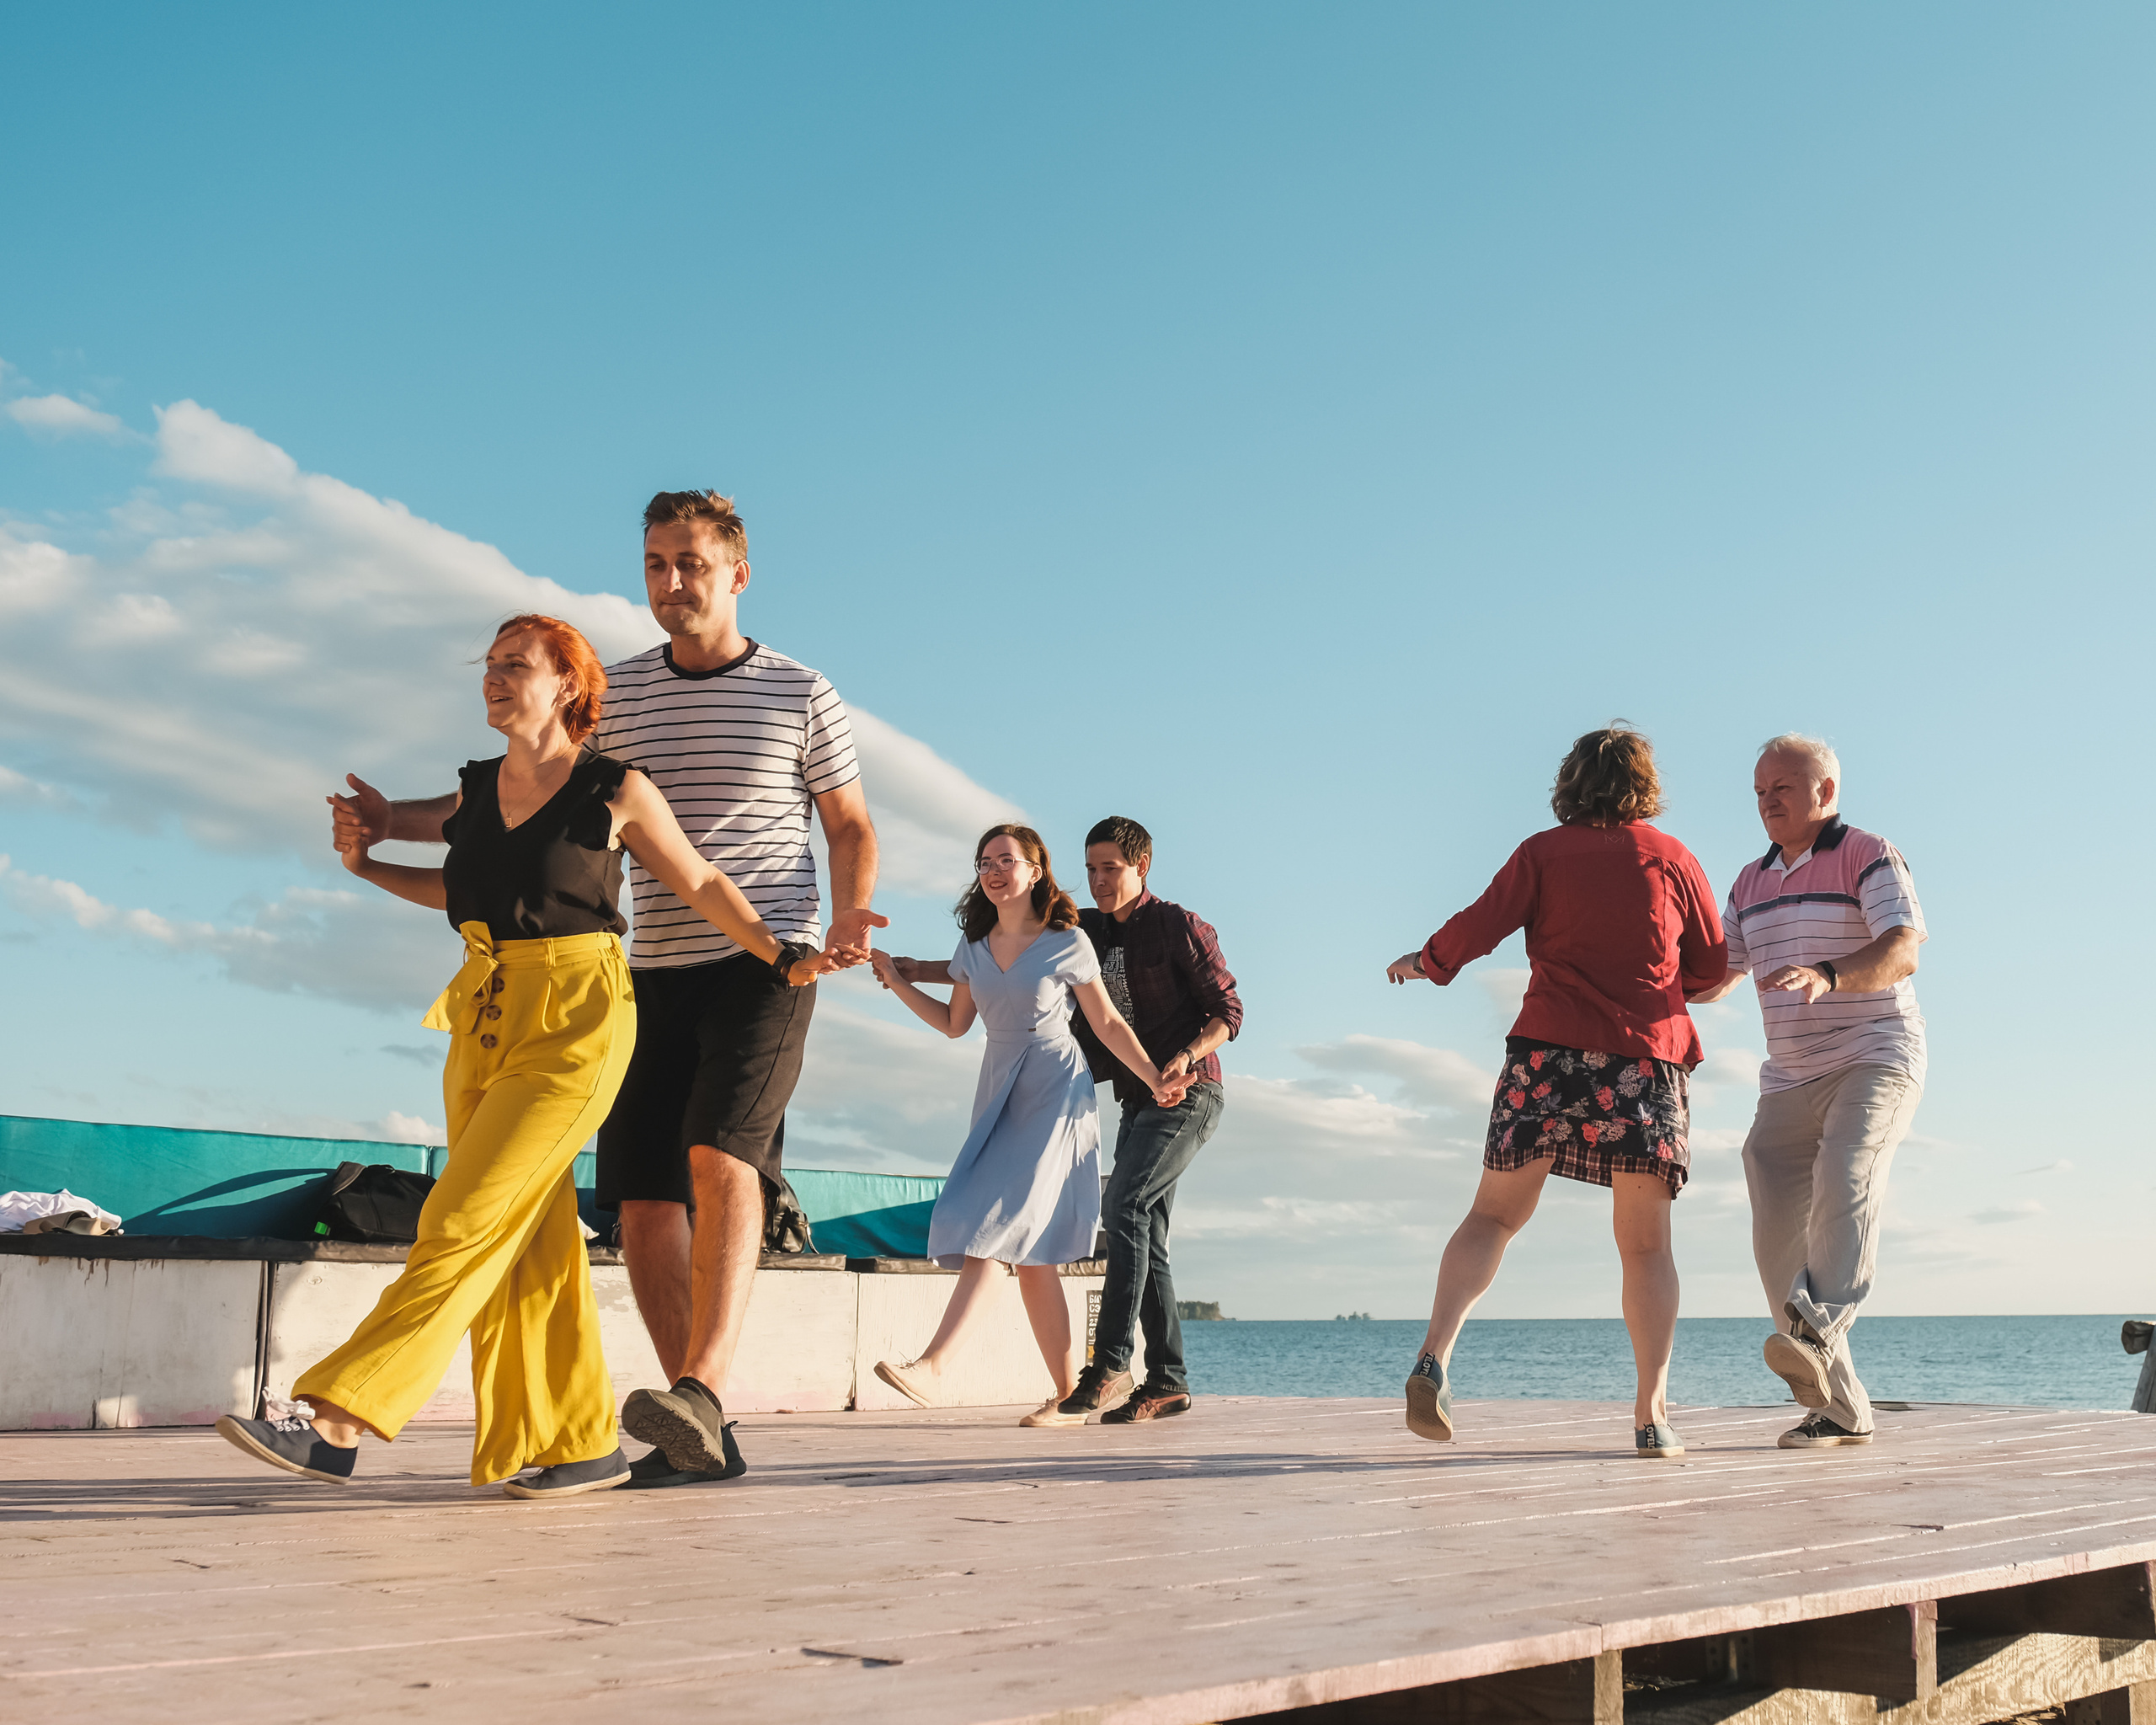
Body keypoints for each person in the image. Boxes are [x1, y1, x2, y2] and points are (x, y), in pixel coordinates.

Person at [329, 490, 883, 1489]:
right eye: (656, 563)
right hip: (638, 967)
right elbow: (508, 798)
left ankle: (704, 1391)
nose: (672, 580)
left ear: (736, 573)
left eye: (691, 563)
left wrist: (843, 918)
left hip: (768, 957)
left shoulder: (802, 690)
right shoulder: (616, 691)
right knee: (638, 1205)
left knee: (720, 1158)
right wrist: (385, 828)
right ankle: (683, 1425)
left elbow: (847, 823)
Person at [219, 615, 831, 1499]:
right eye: (490, 665)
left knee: (460, 1216)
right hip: (481, 1014)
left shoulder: (613, 787)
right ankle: (578, 1440)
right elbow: (459, 891)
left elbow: (698, 880)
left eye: (517, 665)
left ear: (569, 686)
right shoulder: (475, 791)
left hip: (578, 1018)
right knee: (531, 1239)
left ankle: (340, 1418)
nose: (495, 679)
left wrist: (781, 953)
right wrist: (366, 862)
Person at [1386, 727, 1726, 1460]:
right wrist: (1672, 981)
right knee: (1645, 1248)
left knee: (1492, 1217)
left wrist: (1428, 961)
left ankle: (1434, 1354)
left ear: (1570, 782)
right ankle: (1651, 1414)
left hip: (1545, 1055)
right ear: (1646, 785)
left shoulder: (1542, 852)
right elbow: (1709, 963)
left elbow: (1481, 924)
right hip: (1642, 1062)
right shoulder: (1673, 858)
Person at [885, 816, 1243, 1424]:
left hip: (1121, 1088)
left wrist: (1169, 1068)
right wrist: (902, 973)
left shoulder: (1140, 930)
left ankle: (972, 1364)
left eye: (1112, 869)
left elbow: (1142, 1019)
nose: (1099, 881)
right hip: (1033, 1089)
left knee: (1048, 1218)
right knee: (1051, 1249)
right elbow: (962, 1001)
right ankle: (1107, 1387)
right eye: (985, 863)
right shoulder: (1044, 934)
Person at [1687, 734, 1926, 1450]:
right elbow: (1713, 976)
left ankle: (1817, 1329)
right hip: (1789, 1076)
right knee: (1774, 1222)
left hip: (1873, 1056)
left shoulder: (1867, 853)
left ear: (1825, 792)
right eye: (1759, 791)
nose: (1766, 802)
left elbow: (1903, 948)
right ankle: (1841, 1406)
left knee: (1844, 1174)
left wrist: (1827, 974)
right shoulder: (1748, 882)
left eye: (1782, 788)